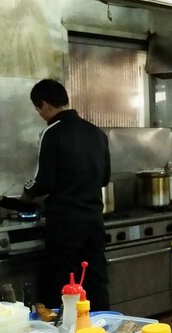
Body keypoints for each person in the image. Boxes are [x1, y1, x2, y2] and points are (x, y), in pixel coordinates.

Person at [23, 79, 111, 311]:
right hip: (94, 220)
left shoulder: (51, 133)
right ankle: (103, 330)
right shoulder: (97, 133)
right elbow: (104, 178)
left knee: (62, 282)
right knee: (95, 279)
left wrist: (26, 192)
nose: (40, 114)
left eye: (38, 109)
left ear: (44, 105)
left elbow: (43, 181)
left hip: (65, 224)